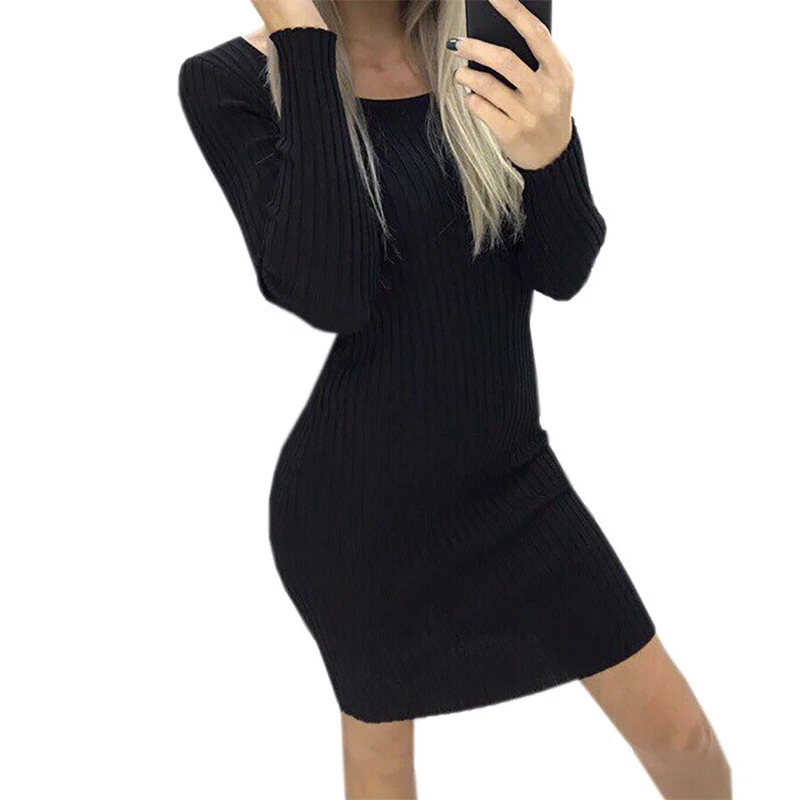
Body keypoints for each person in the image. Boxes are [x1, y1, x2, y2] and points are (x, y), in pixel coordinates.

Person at [178, 1, 731, 797]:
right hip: (359, 514)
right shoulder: (231, 82)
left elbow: (562, 270)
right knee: (382, 762)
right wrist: (303, 38)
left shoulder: (483, 38)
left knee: (685, 741)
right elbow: (331, 293)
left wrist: (553, 153)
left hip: (516, 483)